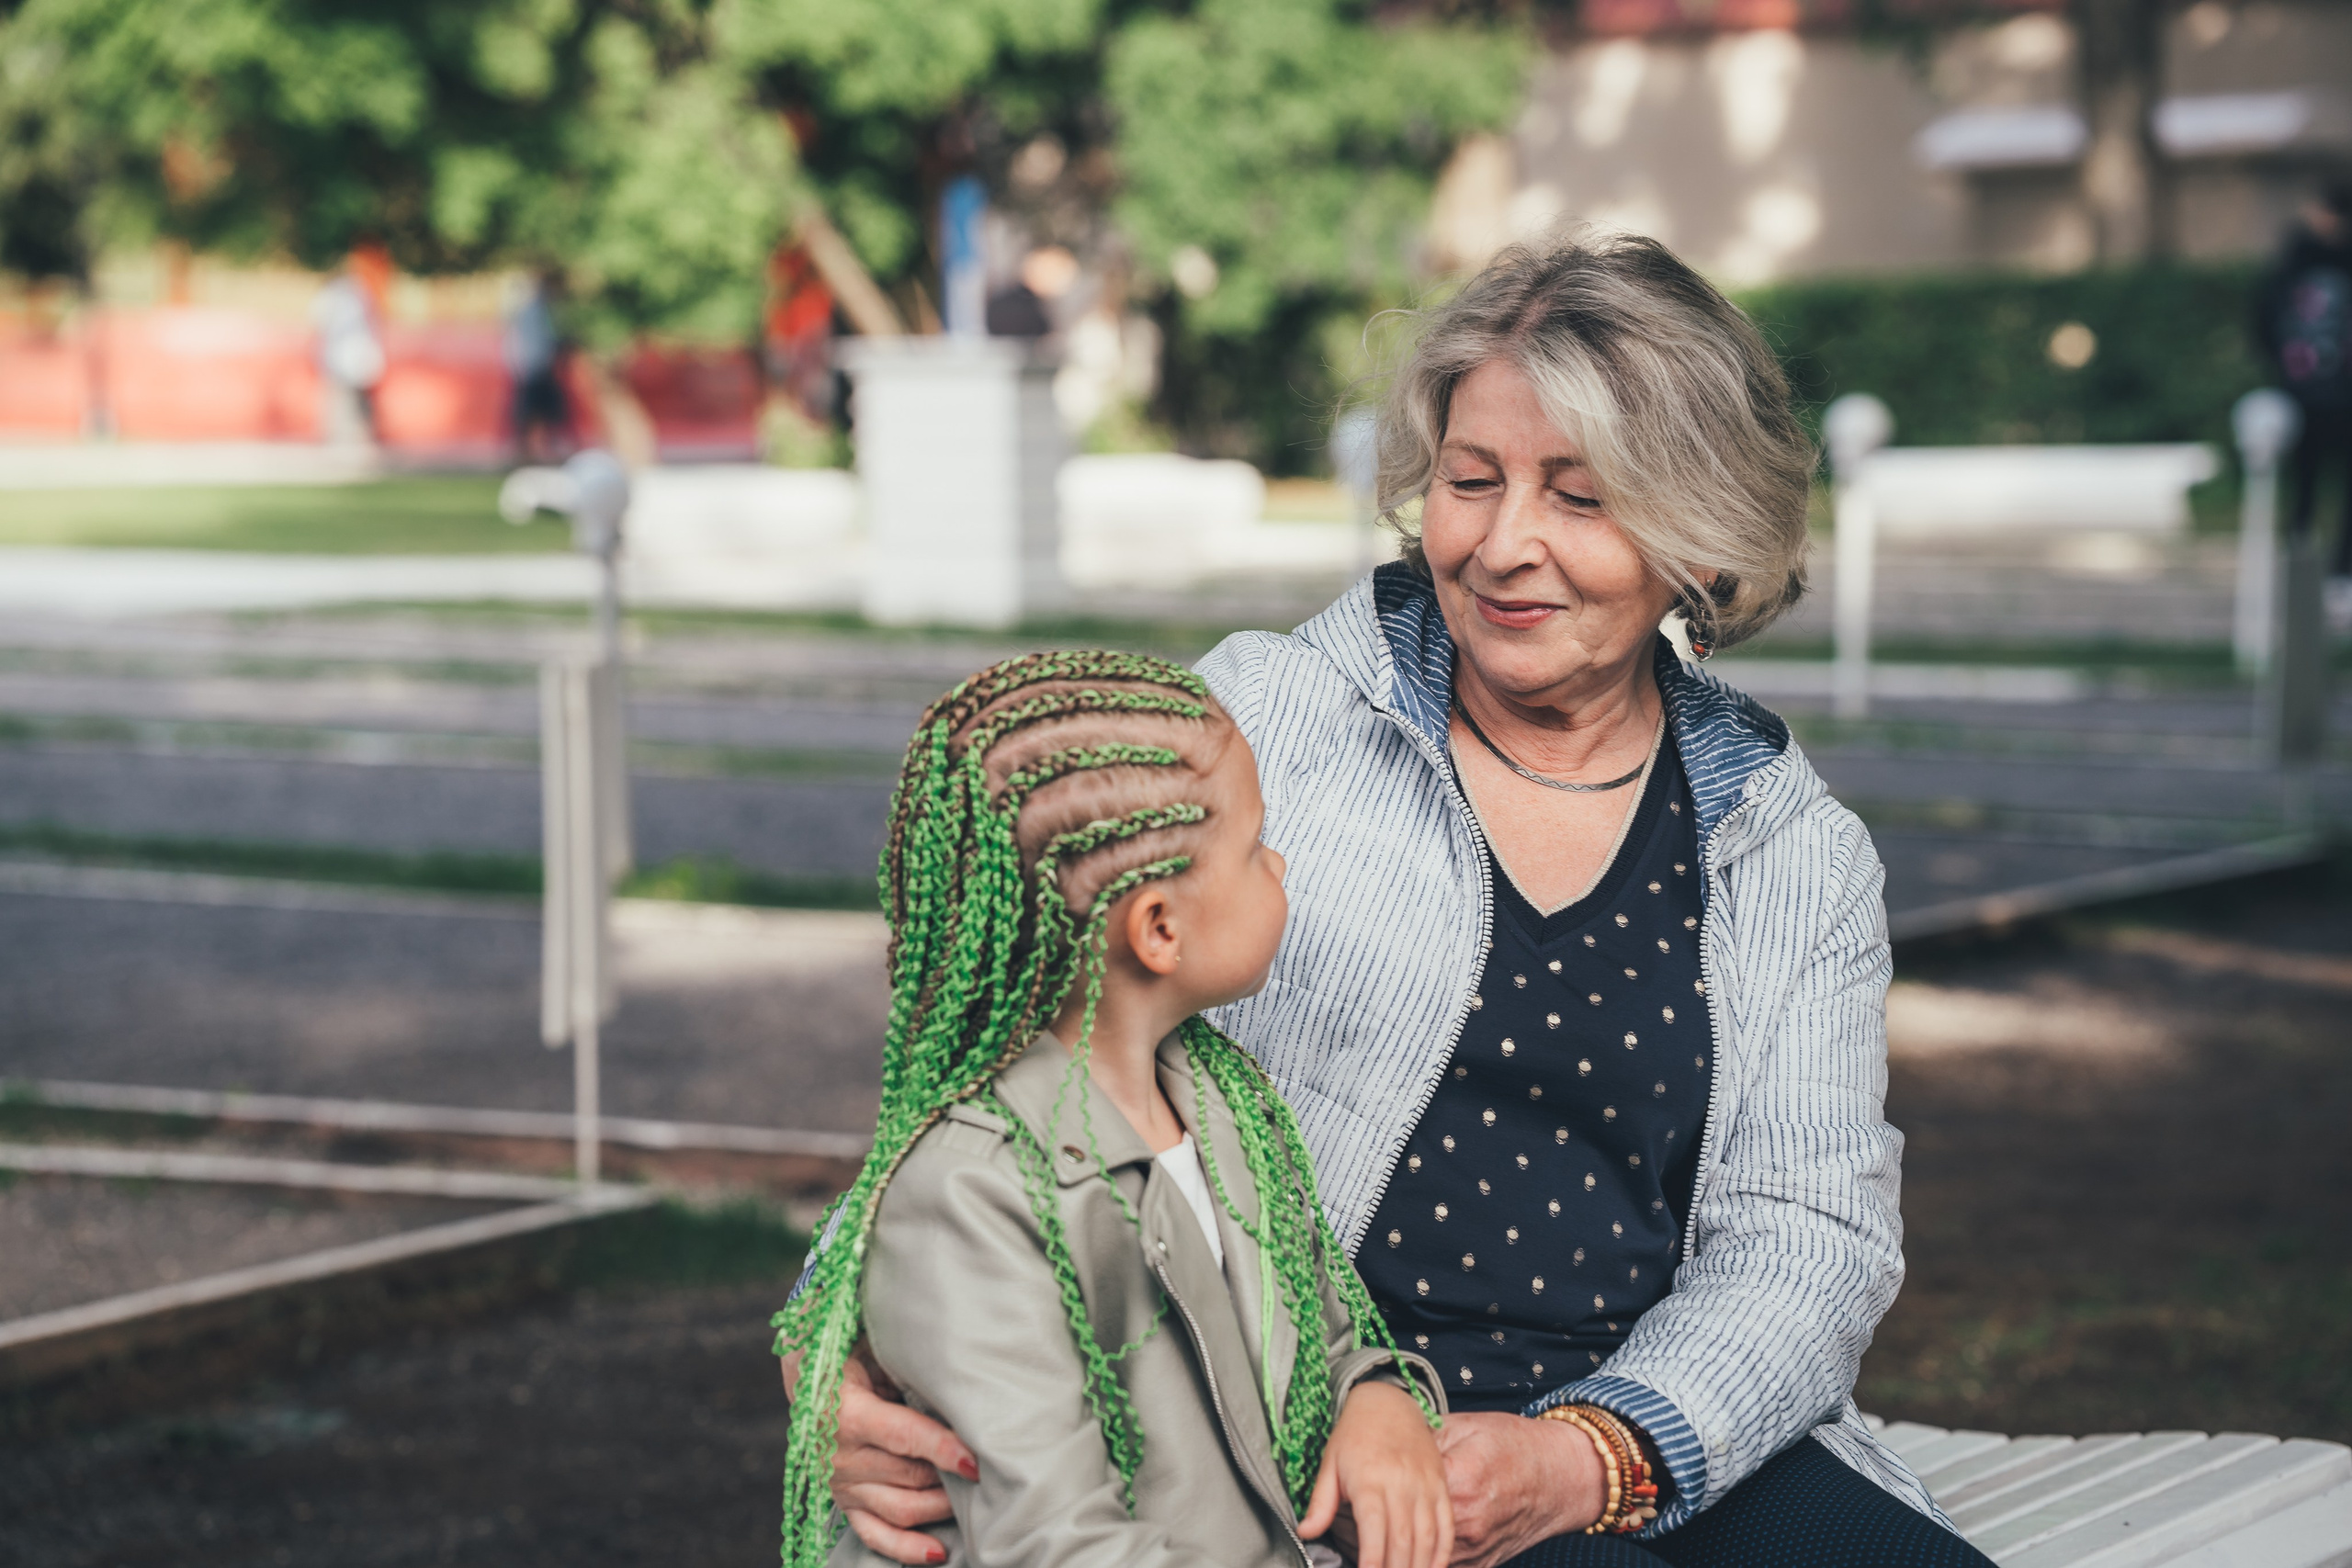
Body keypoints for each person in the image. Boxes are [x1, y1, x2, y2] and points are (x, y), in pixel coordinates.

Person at [800, 231, 1996, 1567]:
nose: (1502, 544)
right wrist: (835, 1351)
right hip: (1315, 1429)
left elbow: (1808, 1233)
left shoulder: (1790, 842)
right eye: (1470, 481)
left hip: (1658, 1412)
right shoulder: (1260, 721)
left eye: (1579, 498)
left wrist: (1589, 1451)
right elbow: (1003, 1036)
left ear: (1695, 536)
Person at [778, 650, 1454, 1568]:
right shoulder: (970, 1195)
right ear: (1158, 929)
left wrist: (1379, 1398)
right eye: (1255, 847)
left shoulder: (1224, 1104)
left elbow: (1329, 1332)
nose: (1281, 862)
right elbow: (1053, 1543)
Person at [2257, 182, 2352, 619]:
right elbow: (2264, 318)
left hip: (2344, 397)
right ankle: (2295, 573)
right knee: (2304, 487)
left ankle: (2342, 575)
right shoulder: (2292, 263)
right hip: (2303, 394)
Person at [503, 272, 571, 464]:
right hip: (533, 369)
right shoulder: (534, 311)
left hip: (536, 368)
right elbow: (532, 342)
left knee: (544, 412)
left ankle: (539, 450)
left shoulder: (543, 310)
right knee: (531, 413)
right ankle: (526, 452)